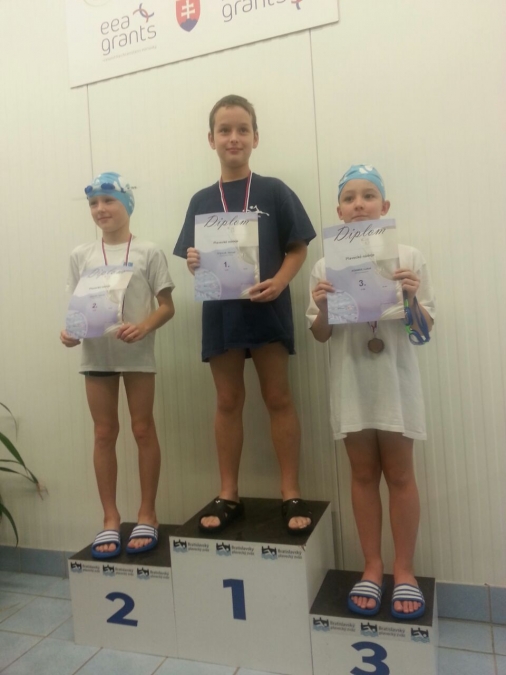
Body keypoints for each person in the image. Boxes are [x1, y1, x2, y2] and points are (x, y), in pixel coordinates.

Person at [174, 95, 316, 534]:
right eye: (224, 130)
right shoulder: (201, 199)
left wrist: (281, 281)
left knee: (278, 398)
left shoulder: (274, 190)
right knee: (228, 401)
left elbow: (298, 247)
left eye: (242, 129)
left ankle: (290, 491)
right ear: (211, 139)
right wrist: (194, 262)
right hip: (222, 314)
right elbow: (194, 259)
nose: (233, 138)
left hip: (267, 306)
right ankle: (228, 493)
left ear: (256, 137)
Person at [306, 165, 435, 619]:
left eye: (368, 196)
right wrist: (322, 307)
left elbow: (422, 332)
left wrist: (412, 298)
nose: (358, 204)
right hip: (352, 382)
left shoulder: (408, 257)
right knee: (362, 475)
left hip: (396, 383)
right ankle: (372, 566)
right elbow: (320, 334)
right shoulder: (324, 265)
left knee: (400, 475)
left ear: (385, 206)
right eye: (349, 198)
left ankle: (404, 570)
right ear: (338, 210)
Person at [60, 172, 175, 559]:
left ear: (127, 204)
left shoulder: (149, 251)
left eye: (108, 200)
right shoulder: (81, 255)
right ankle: (110, 518)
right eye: (93, 203)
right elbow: (76, 312)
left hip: (137, 355)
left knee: (143, 429)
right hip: (97, 356)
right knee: (103, 433)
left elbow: (167, 307)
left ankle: (148, 513)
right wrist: (70, 334)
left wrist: (144, 327)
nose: (100, 209)